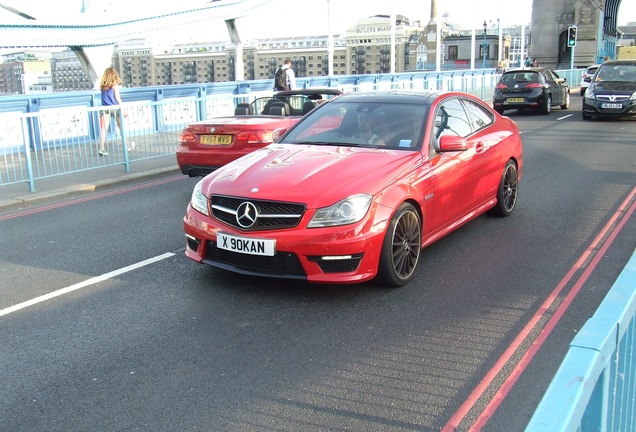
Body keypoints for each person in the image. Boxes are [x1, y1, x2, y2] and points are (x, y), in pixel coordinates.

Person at [99, 67, 134, 156]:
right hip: (114, 107)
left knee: (104, 129)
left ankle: (101, 148)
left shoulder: (103, 86)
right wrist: (124, 109)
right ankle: (127, 145)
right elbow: (117, 98)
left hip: (104, 108)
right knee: (121, 126)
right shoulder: (114, 85)